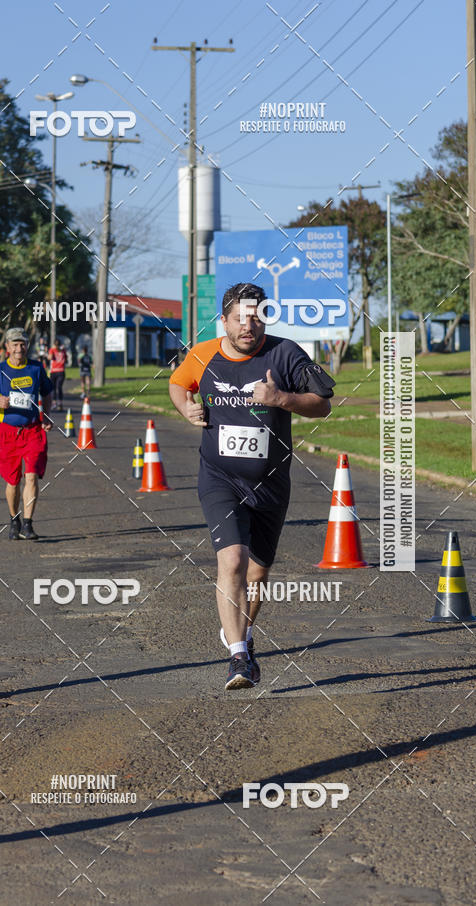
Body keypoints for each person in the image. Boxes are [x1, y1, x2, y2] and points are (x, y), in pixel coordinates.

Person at [169, 283, 335, 690]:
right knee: (233, 562)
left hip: (271, 482)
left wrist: (281, 398)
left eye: (257, 316)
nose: (249, 325)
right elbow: (178, 382)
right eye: (240, 317)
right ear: (224, 320)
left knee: (258, 573)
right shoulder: (202, 354)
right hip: (219, 477)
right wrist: (185, 406)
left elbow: (323, 403)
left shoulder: (285, 353)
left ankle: (240, 635)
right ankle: (239, 657)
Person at [0, 327, 53, 541]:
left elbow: (47, 392)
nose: (19, 348)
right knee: (13, 482)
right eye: (14, 344)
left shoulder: (36, 367)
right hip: (7, 433)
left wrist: (47, 416)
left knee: (32, 476)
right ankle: (13, 519)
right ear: (7, 347)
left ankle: (28, 524)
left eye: (22, 344)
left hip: (32, 430)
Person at [48, 337, 67, 411]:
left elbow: (49, 358)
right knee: (58, 387)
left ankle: (56, 403)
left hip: (57, 371)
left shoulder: (53, 350)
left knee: (55, 387)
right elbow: (65, 359)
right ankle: (58, 403)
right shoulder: (62, 350)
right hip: (58, 371)